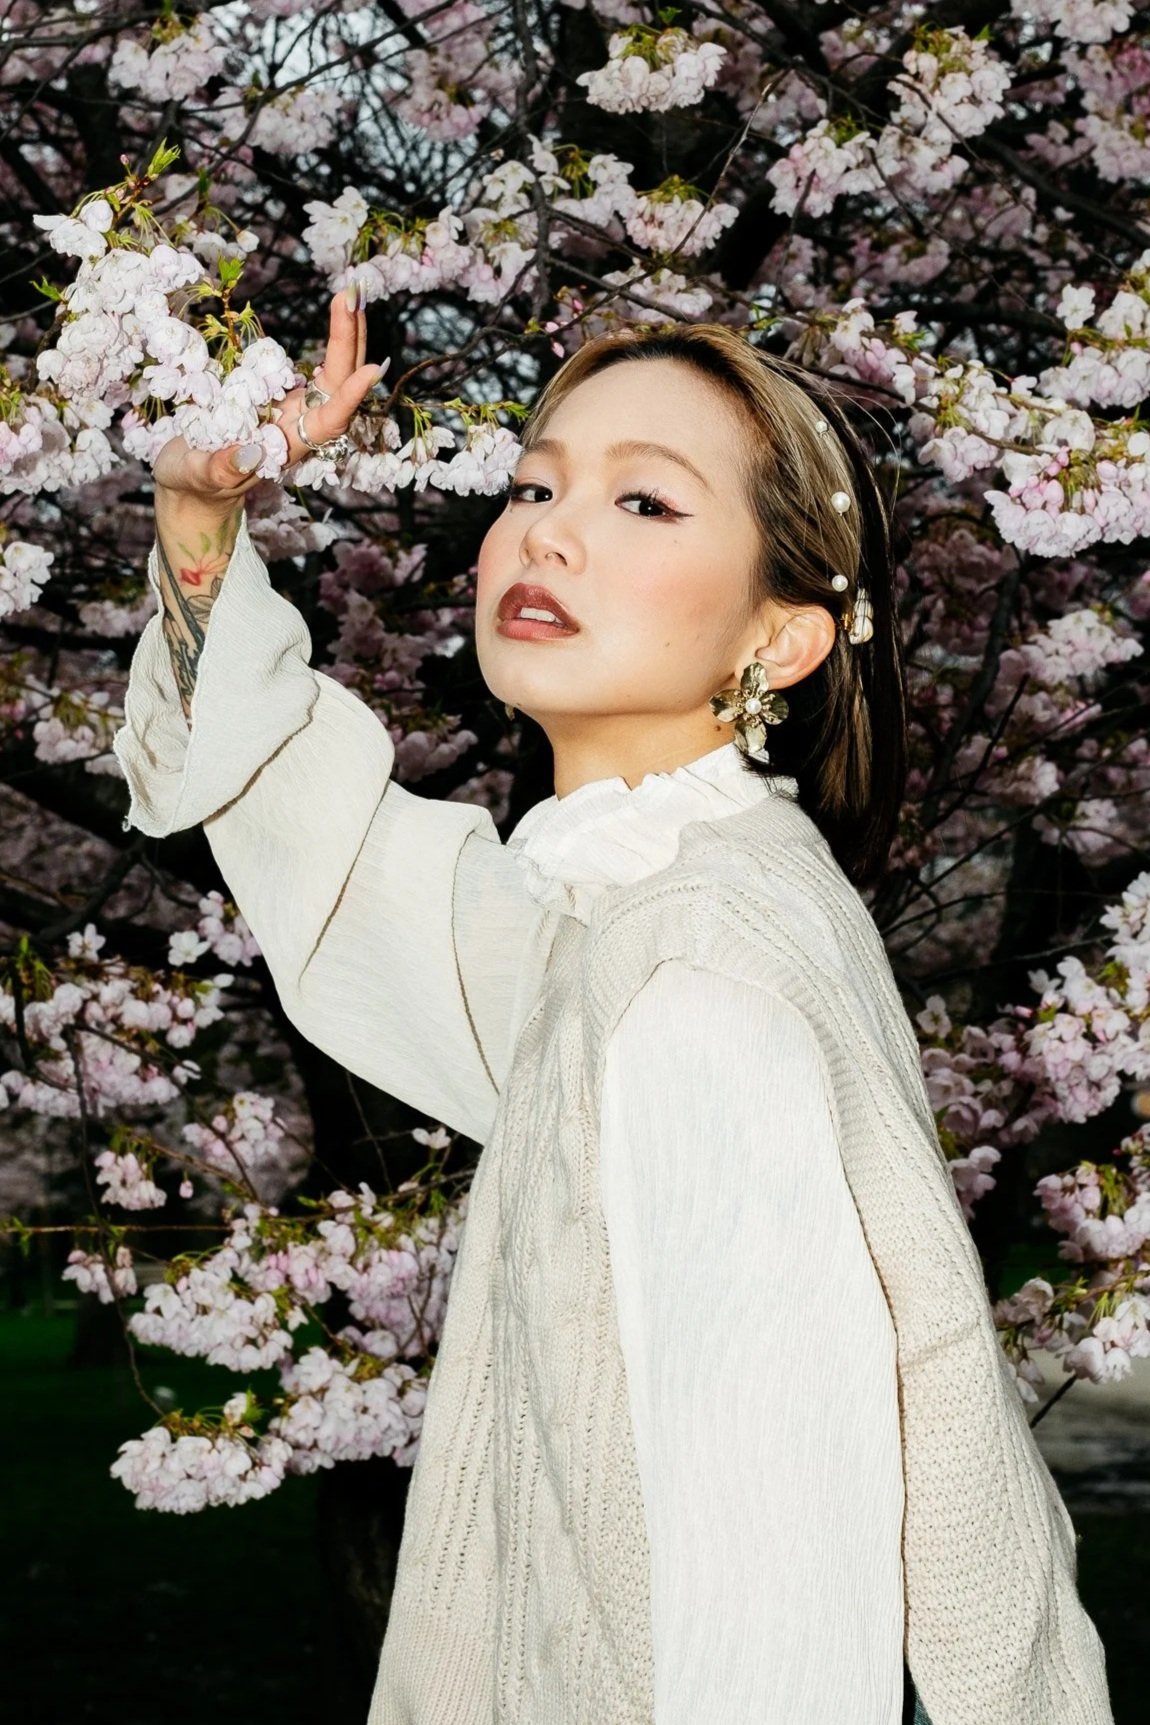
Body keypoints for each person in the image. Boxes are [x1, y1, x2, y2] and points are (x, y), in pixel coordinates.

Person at [114, 291, 1114, 1725]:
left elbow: (768, 1604)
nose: (546, 531)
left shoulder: (698, 978)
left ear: (777, 643)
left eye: (644, 499)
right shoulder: (646, 895)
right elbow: (349, 862)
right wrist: (200, 520)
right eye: (534, 483)